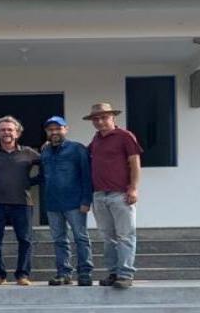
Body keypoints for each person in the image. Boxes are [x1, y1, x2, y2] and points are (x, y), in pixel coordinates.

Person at [84, 102, 142, 289]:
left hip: (120, 194)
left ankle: (125, 275)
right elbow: (83, 155)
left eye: (104, 117)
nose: (100, 121)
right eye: (96, 119)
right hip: (99, 195)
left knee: (125, 235)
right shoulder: (96, 140)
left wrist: (133, 188)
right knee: (108, 237)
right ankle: (113, 273)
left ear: (112, 117)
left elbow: (135, 163)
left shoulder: (125, 136)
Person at [0, 115, 40, 286]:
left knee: (25, 240)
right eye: (3, 130)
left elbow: (48, 166)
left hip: (22, 202)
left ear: (17, 133)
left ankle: (22, 275)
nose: (6, 133)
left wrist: (30, 182)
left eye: (10, 130)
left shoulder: (29, 152)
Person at [39, 116, 95, 286]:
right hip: (52, 203)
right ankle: (63, 273)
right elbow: (42, 176)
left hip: (75, 203)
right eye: (51, 129)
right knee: (59, 240)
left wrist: (86, 200)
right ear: (46, 132)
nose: (54, 132)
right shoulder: (45, 151)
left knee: (81, 238)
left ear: (66, 129)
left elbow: (87, 176)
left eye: (58, 128)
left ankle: (85, 273)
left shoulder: (77, 149)